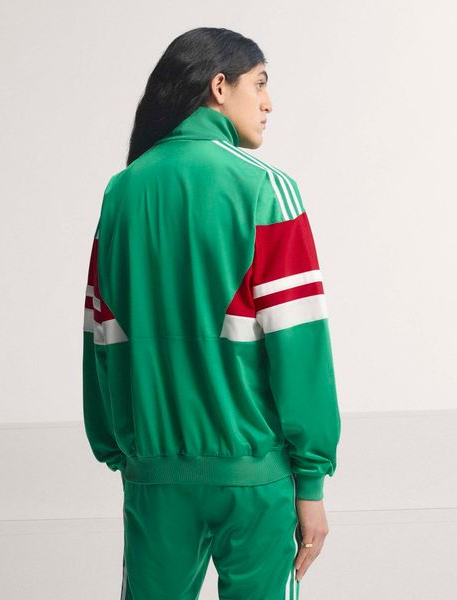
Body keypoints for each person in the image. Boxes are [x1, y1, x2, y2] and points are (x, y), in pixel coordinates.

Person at [82, 26, 341, 600]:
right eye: (260, 84)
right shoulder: (266, 188)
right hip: (254, 482)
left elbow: (100, 337)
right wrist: (311, 482)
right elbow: (300, 347)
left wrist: (126, 454)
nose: (269, 103)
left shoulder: (121, 192)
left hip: (153, 477)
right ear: (219, 87)